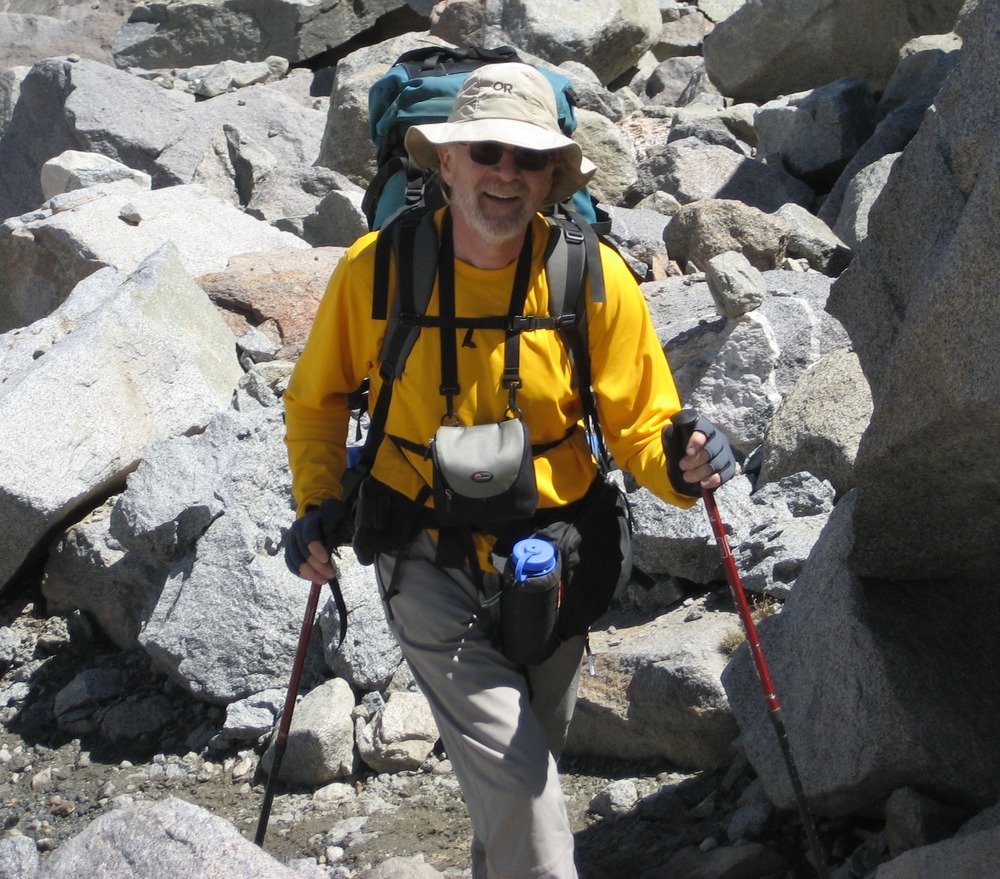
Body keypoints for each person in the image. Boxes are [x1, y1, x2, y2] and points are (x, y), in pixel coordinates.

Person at [283, 63, 736, 879]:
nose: (505, 173)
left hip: (557, 558)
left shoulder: (591, 276)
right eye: (486, 151)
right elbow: (316, 403)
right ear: (446, 161)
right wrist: (318, 504)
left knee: (524, 778)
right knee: (527, 785)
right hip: (423, 556)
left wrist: (683, 460)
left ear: (552, 176)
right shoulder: (374, 270)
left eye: (528, 159)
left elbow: (641, 425)